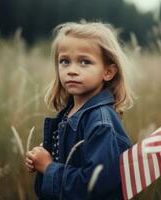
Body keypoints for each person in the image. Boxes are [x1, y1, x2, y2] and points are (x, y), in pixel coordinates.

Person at [25, 21, 134, 200]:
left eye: (84, 62)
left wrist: (48, 167)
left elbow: (95, 186)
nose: (72, 71)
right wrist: (42, 160)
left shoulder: (101, 122)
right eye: (65, 61)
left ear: (108, 71)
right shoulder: (68, 111)